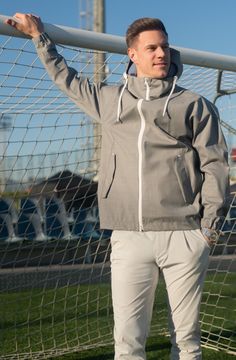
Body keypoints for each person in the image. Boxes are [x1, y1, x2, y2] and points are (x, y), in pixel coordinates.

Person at [5, 14, 230, 360]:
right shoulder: (109, 101)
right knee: (127, 345)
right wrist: (39, 38)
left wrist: (207, 231)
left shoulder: (194, 105)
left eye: (165, 46)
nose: (161, 54)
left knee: (187, 343)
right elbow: (65, 78)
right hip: (128, 236)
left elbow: (216, 167)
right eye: (151, 48)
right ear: (132, 54)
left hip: (184, 235)